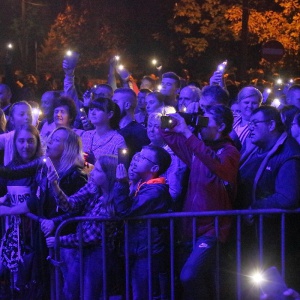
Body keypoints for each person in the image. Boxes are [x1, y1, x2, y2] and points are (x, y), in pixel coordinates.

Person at [160, 104, 240, 300]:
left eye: (206, 121)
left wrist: (188, 133)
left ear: (221, 127)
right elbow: (167, 136)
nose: (201, 125)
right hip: (191, 226)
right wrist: (180, 119)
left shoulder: (230, 152)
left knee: (189, 276)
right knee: (195, 282)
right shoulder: (198, 149)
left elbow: (216, 165)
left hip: (213, 229)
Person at [0, 127, 87, 299]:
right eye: (50, 138)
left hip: (68, 242)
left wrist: (55, 222)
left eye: (55, 140)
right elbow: (31, 196)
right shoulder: (44, 168)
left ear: (68, 146)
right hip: (48, 240)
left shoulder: (76, 175)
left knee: (68, 292)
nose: (49, 142)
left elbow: (77, 210)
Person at [46, 155, 119, 300]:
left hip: (99, 252)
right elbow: (70, 204)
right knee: (71, 291)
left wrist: (59, 240)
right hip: (81, 248)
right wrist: (54, 185)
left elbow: (89, 236)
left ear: (108, 175)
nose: (91, 173)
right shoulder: (93, 187)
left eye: (97, 171)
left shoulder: (113, 202)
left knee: (90, 294)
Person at [114, 145, 172, 300]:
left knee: (143, 294)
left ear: (154, 168)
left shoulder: (155, 191)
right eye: (138, 155)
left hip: (147, 252)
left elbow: (125, 211)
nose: (137, 159)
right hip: (138, 249)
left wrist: (121, 183)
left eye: (143, 158)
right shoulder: (142, 186)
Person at [0, 125, 43, 293]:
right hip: (12, 232)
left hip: (33, 234)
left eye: (30, 141)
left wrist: (8, 211)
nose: (26, 146)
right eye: (21, 141)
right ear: (15, 143)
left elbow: (36, 200)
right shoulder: (11, 166)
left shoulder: (42, 167)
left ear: (37, 143)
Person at [147, 112, 187, 208]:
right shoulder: (146, 150)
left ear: (166, 130)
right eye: (149, 125)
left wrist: (158, 206)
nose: (151, 130)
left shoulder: (172, 155)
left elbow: (174, 191)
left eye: (156, 127)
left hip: (160, 208)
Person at [81, 97, 126, 164]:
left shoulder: (118, 140)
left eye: (98, 109)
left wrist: (94, 161)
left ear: (110, 114)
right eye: (91, 109)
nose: (93, 113)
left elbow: (119, 168)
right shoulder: (86, 135)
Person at [113, 88, 150, 159]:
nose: (112, 106)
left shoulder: (139, 132)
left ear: (127, 105)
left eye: (115, 102)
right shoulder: (112, 128)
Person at [0, 101, 32, 165]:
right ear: (12, 119)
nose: (27, 117)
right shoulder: (7, 137)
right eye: (22, 114)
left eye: (29, 114)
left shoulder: (37, 137)